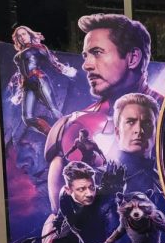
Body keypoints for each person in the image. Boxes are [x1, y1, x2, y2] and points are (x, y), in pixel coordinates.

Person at [44, 13, 156, 209]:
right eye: (86, 56)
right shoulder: (72, 125)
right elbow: (58, 215)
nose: (86, 65)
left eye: (97, 52)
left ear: (133, 58)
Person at [12, 24, 76, 137]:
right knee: (27, 117)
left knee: (53, 109)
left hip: (39, 79)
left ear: (29, 34)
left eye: (23, 34)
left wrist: (66, 70)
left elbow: (53, 62)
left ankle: (69, 134)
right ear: (17, 39)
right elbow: (20, 74)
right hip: (27, 85)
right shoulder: (18, 55)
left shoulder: (37, 47)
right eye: (19, 36)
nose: (22, 37)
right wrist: (18, 94)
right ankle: (51, 134)